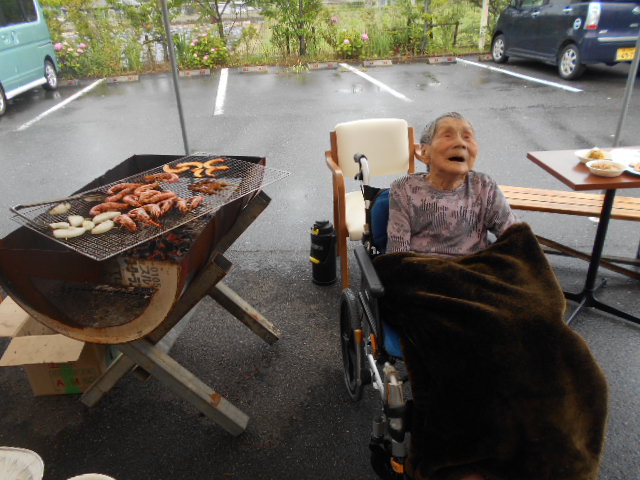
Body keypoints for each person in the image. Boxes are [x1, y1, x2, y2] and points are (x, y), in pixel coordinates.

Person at [387, 112, 518, 255]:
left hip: (476, 266)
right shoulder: (404, 189)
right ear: (424, 152)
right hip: (422, 266)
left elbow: (515, 236)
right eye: (448, 135)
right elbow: (397, 254)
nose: (461, 143)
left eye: (467, 137)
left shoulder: (484, 186)